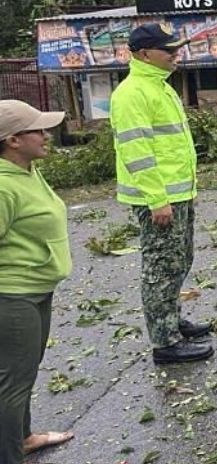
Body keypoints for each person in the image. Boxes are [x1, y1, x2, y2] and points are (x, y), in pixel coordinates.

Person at [110, 23, 212, 365]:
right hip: (158, 199)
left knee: (179, 260)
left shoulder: (160, 86)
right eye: (168, 50)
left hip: (176, 193)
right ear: (144, 54)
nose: (175, 54)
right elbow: (136, 152)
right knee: (161, 268)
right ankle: (165, 342)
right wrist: (157, 199)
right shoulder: (132, 94)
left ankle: (172, 320)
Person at [0, 101, 74, 463]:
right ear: (13, 140)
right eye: (38, 131)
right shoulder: (3, 187)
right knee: (12, 383)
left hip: (37, 289)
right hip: (13, 295)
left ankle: (24, 438)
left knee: (23, 374)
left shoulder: (27, 170)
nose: (47, 136)